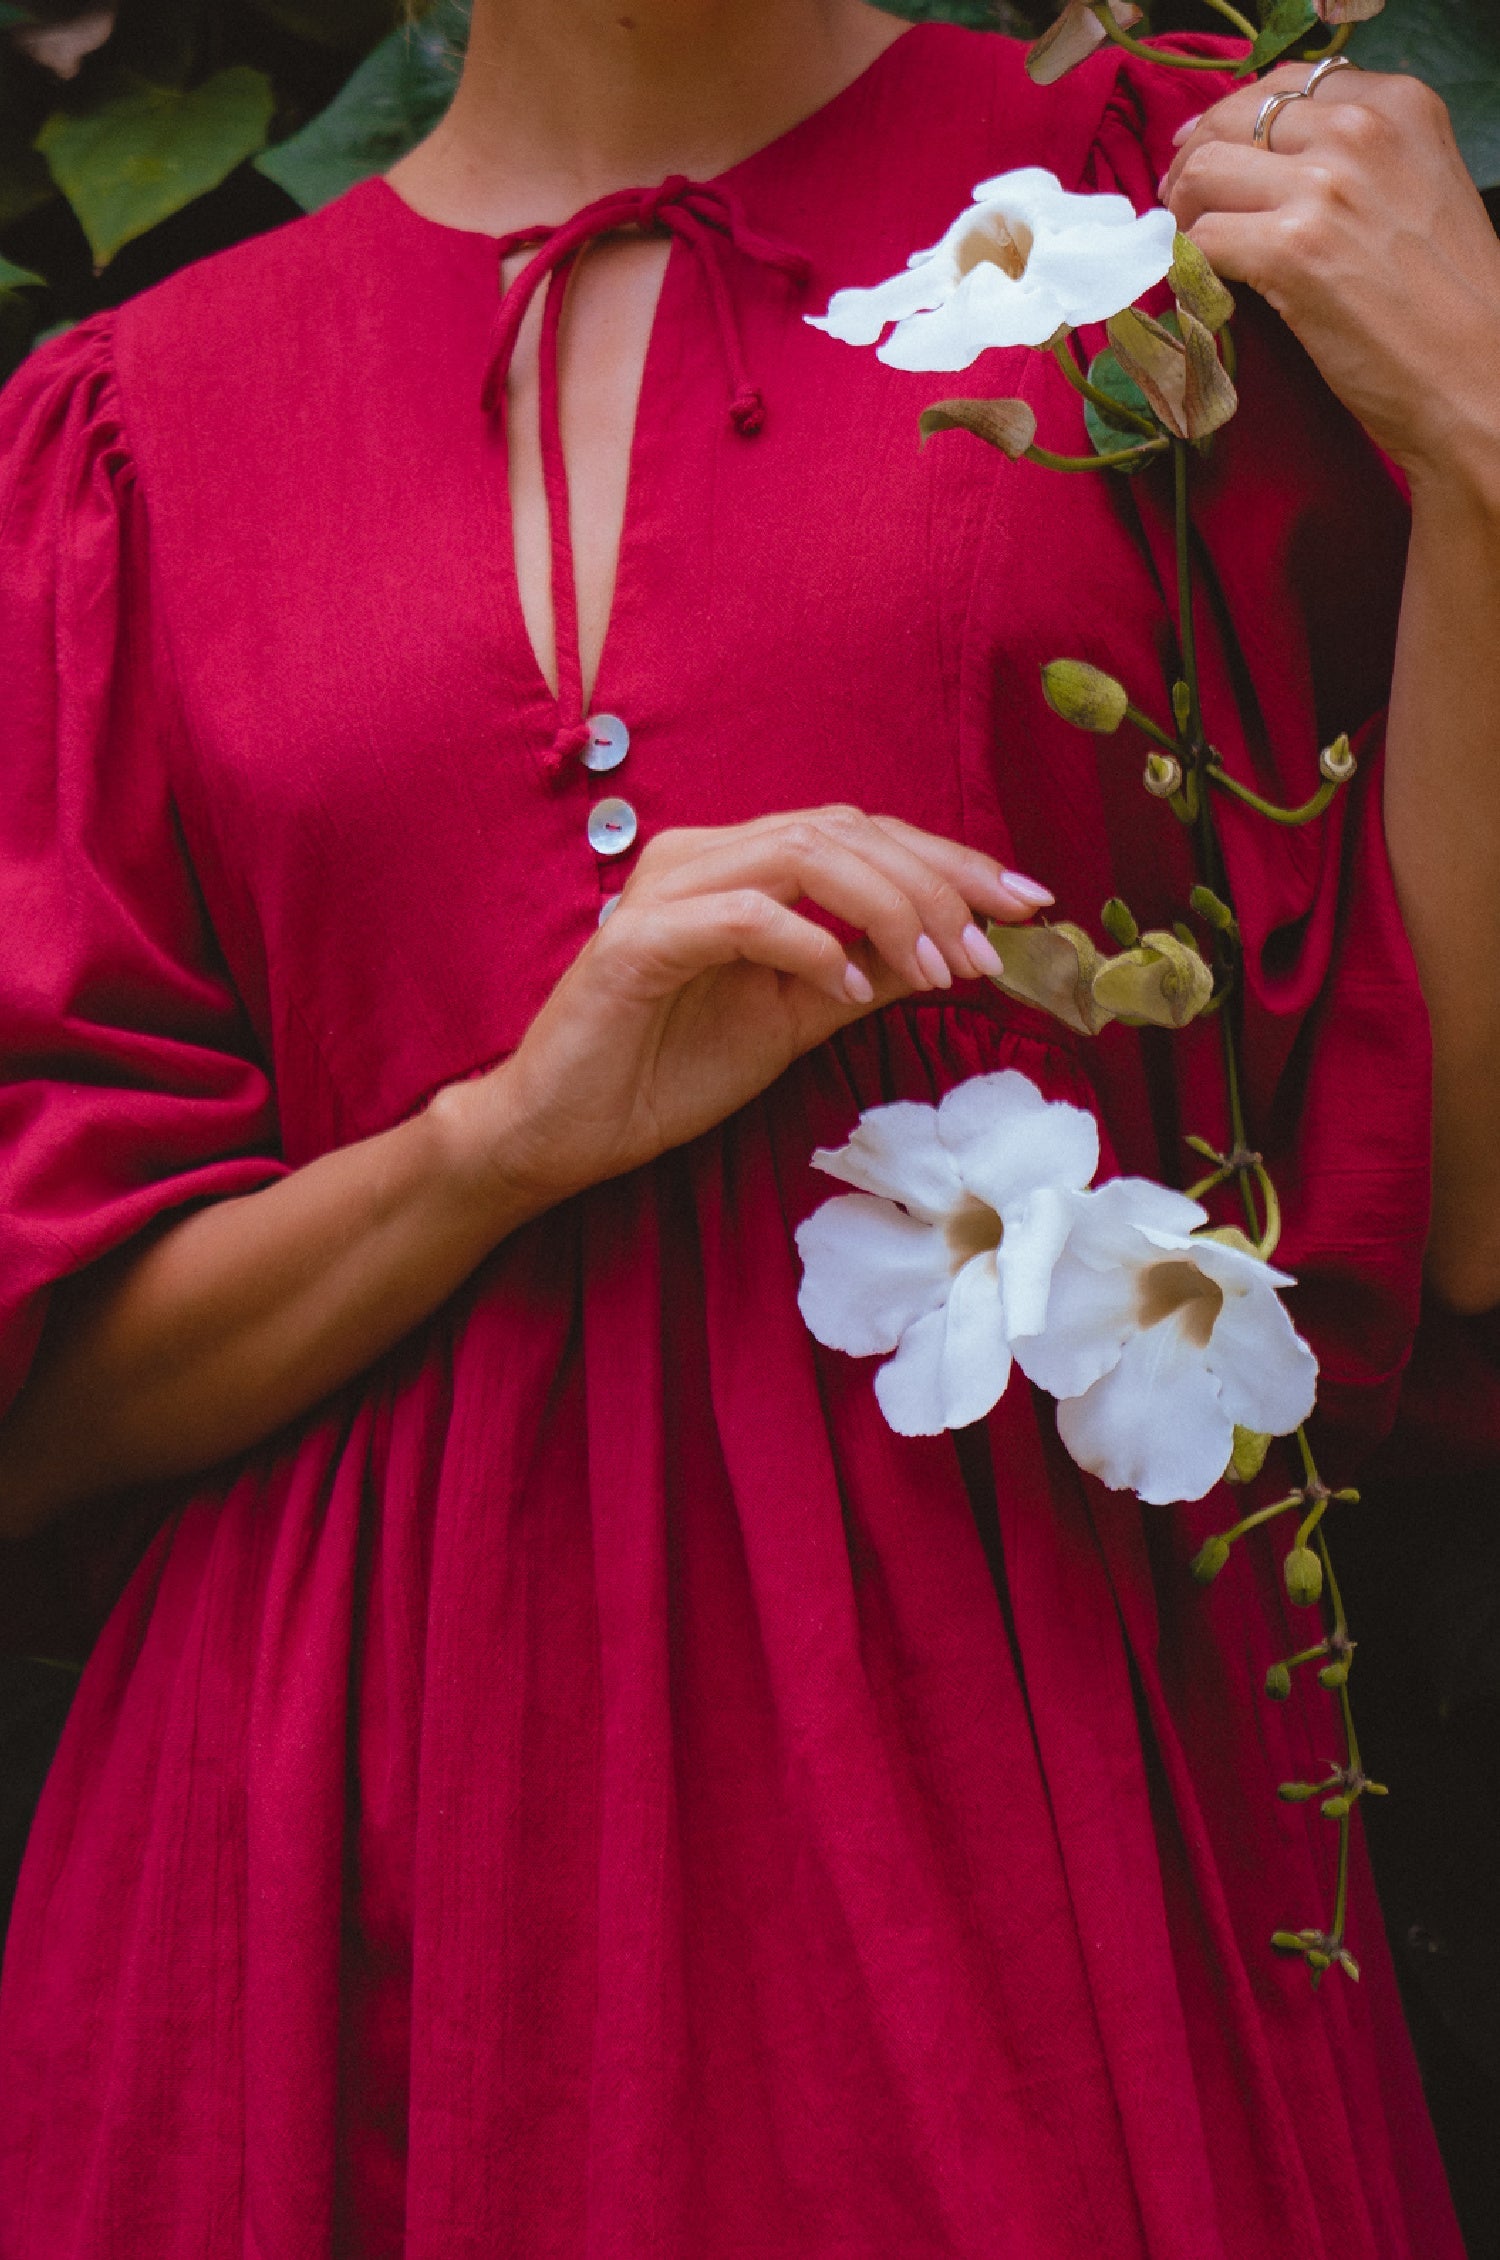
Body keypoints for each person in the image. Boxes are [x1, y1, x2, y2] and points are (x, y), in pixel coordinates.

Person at [0, 0, 1497, 2250]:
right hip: (314, 1923)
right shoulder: (127, 427)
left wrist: (1486, 442)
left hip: (1019, 1851)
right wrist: (500, 1137)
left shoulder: (1193, 208)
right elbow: (42, 1405)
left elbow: (1447, 1201)